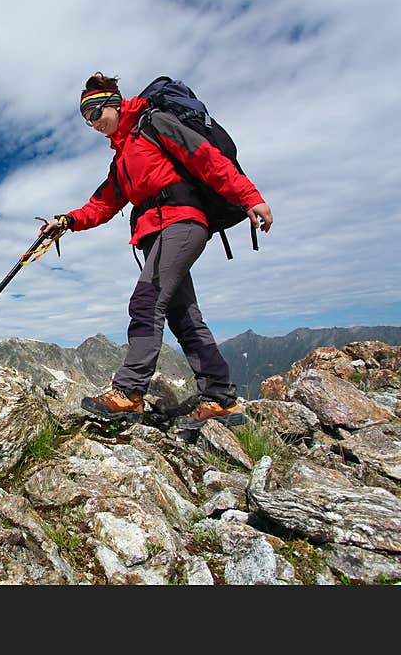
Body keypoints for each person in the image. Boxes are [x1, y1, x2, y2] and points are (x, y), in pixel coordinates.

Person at [40, 72, 273, 429]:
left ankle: (129, 392)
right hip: (155, 233)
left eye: (96, 113)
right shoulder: (121, 158)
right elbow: (101, 204)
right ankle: (220, 399)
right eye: (87, 120)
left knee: (147, 301)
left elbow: (205, 158)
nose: (94, 123)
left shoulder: (154, 124)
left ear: (114, 103)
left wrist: (250, 197)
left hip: (180, 223)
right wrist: (66, 222)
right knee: (184, 316)